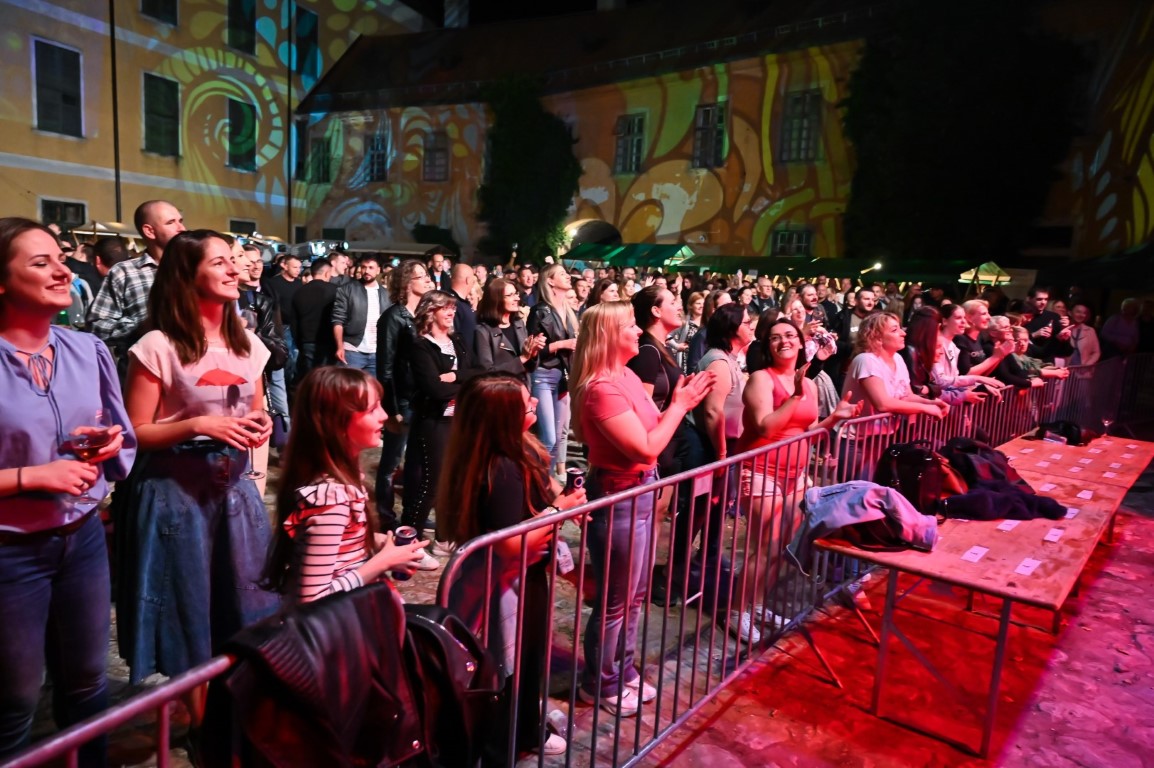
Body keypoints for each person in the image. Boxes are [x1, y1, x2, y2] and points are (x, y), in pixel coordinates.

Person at [0, 218, 136, 766]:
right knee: (14, 699)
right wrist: (32, 477)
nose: (62, 271)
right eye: (41, 263)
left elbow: (121, 435)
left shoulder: (87, 349)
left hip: (82, 539)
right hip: (10, 551)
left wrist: (107, 444)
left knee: (87, 681)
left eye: (60, 258)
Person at [118, 229, 280, 683]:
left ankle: (227, 710)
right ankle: (194, 711)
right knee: (185, 615)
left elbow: (255, 411)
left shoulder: (249, 344)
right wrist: (197, 425)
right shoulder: (158, 345)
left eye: (234, 259)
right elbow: (135, 432)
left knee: (243, 608)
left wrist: (262, 425)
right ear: (187, 276)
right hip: (176, 496)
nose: (234, 269)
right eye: (220, 262)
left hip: (234, 494)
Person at [570, 302, 713, 717]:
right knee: (615, 601)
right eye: (630, 325)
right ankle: (600, 682)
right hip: (619, 497)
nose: (638, 331)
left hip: (642, 491)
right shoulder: (601, 388)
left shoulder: (627, 375)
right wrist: (680, 405)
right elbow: (646, 447)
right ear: (608, 336)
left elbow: (652, 433)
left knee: (633, 597)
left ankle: (622, 669)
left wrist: (679, 404)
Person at [442, 375, 586, 760]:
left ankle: (525, 727)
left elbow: (540, 499)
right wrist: (559, 511)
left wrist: (563, 502)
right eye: (526, 404)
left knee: (527, 660)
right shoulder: (501, 467)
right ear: (503, 418)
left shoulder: (517, 449)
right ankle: (509, 741)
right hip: (505, 583)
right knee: (511, 665)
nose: (535, 404)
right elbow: (509, 544)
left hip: (520, 577)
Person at [736, 318, 859, 638]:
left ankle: (757, 603)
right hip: (761, 471)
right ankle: (737, 611)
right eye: (775, 337)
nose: (784, 341)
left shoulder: (809, 384)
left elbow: (808, 430)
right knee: (766, 545)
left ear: (802, 343)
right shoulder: (761, 379)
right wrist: (794, 396)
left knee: (784, 547)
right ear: (768, 346)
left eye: (790, 335)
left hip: (795, 476)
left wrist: (835, 418)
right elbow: (765, 426)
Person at [264, 367, 428, 603]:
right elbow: (313, 598)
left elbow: (339, 543)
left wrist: (380, 542)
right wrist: (383, 562)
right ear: (336, 423)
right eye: (372, 409)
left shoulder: (342, 481)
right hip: (337, 621)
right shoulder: (332, 499)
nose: (384, 415)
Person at [401, 291, 476, 556]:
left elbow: (477, 372)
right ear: (430, 312)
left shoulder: (458, 340)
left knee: (453, 482)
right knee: (431, 484)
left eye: (453, 308)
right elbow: (434, 389)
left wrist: (455, 376)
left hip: (459, 420)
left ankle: (444, 539)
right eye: (445, 308)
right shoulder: (420, 346)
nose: (451, 313)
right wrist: (465, 384)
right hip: (433, 422)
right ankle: (409, 543)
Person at [87, 200, 187, 374]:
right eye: (171, 222)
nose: (181, 228)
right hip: (144, 372)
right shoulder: (125, 272)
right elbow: (96, 327)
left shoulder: (195, 268)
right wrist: (143, 323)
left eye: (181, 221)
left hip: (193, 371)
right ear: (149, 231)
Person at [374, 259, 434, 530]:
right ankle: (385, 515)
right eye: (422, 276)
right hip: (403, 399)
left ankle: (412, 514)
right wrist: (391, 408)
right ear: (407, 282)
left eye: (427, 275)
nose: (428, 280)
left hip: (423, 397)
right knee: (391, 461)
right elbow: (385, 367)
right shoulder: (393, 317)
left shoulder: (425, 314)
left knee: (417, 462)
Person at [526, 264, 579, 475]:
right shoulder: (540, 311)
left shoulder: (568, 310)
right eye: (562, 274)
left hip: (562, 376)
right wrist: (562, 344)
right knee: (547, 438)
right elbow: (531, 350)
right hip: (542, 375)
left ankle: (548, 484)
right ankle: (535, 482)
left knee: (557, 439)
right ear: (549, 280)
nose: (568, 277)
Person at [473, 277, 545, 382]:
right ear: (496, 300)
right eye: (510, 295)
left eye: (516, 294)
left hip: (523, 387)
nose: (517, 298)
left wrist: (532, 353)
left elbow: (531, 368)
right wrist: (523, 358)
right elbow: (487, 372)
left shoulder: (519, 324)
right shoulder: (483, 331)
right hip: (501, 389)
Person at [333, 255, 388, 373]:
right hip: (352, 349)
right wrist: (340, 347)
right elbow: (338, 320)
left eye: (371, 267)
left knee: (372, 385)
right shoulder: (347, 289)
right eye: (364, 267)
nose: (366, 271)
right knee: (348, 384)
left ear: (378, 270)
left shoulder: (386, 294)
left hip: (377, 351)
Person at [291, 257, 338, 379]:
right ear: (327, 273)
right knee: (327, 379)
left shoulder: (299, 292)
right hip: (329, 342)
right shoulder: (335, 291)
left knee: (310, 379)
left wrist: (300, 343)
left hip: (306, 342)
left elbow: (294, 323)